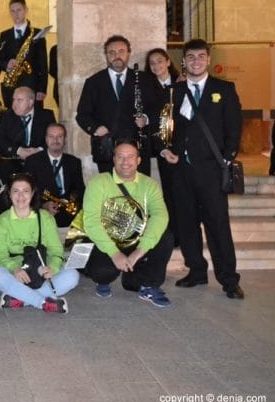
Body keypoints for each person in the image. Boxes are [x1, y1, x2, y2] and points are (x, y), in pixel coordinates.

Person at [160, 38, 244, 299]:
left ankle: (229, 280)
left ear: (208, 60)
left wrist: (228, 157)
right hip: (181, 171)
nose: (196, 61)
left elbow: (234, 127)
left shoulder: (225, 89)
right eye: (190, 57)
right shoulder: (176, 91)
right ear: (183, 62)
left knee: (218, 224)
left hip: (210, 171)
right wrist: (165, 149)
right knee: (186, 224)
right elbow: (165, 128)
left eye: (200, 56)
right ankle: (196, 271)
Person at [82, 141, 173, 306]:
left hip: (135, 239)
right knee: (102, 273)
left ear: (138, 160)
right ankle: (102, 280)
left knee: (166, 236)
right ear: (114, 160)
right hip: (108, 239)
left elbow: (160, 215)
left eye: (130, 157)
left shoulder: (150, 184)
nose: (125, 162)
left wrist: (140, 251)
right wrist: (114, 252)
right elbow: (91, 221)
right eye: (120, 157)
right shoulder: (98, 182)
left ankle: (147, 284)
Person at [0, 173, 78, 314]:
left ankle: (20, 298)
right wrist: (14, 269)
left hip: (42, 272)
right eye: (15, 191)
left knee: (73, 275)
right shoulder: (2, 221)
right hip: (17, 275)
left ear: (33, 193)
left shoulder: (45, 217)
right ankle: (42, 302)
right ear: (9, 194)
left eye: (25, 191)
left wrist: (52, 268)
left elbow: (55, 250)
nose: (20, 196)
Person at [76, 35, 157, 175]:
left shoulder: (145, 80)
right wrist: (96, 128)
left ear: (128, 54)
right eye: (111, 52)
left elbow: (156, 108)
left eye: (121, 51)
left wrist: (146, 118)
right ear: (106, 56)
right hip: (107, 149)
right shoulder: (94, 82)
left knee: (138, 192)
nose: (116, 56)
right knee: (111, 192)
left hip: (138, 149)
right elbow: (82, 115)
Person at [145, 48, 182, 245]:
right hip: (162, 147)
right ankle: (174, 235)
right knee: (169, 192)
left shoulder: (182, 84)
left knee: (186, 192)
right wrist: (162, 148)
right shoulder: (148, 89)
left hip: (184, 146)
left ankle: (187, 232)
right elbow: (149, 121)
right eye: (152, 63)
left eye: (160, 61)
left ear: (168, 62)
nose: (157, 66)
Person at [24, 123, 85, 228]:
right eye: (51, 136)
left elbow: (80, 189)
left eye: (59, 136)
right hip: (43, 216)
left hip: (69, 217)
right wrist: (43, 205)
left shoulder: (74, 162)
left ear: (65, 139)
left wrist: (73, 199)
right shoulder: (32, 162)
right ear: (46, 139)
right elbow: (28, 191)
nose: (55, 140)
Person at [0, 85, 56, 179]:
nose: (14, 104)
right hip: (13, 163)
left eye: (19, 100)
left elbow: (54, 138)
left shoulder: (46, 116)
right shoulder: (6, 116)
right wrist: (18, 150)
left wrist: (38, 150)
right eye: (13, 100)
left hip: (40, 162)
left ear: (31, 102)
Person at [0, 0, 49, 108]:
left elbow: (43, 63)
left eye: (19, 10)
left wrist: (42, 89)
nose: (16, 14)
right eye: (13, 11)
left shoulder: (37, 33)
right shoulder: (4, 35)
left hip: (32, 86)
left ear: (26, 10)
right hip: (11, 86)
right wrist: (7, 64)